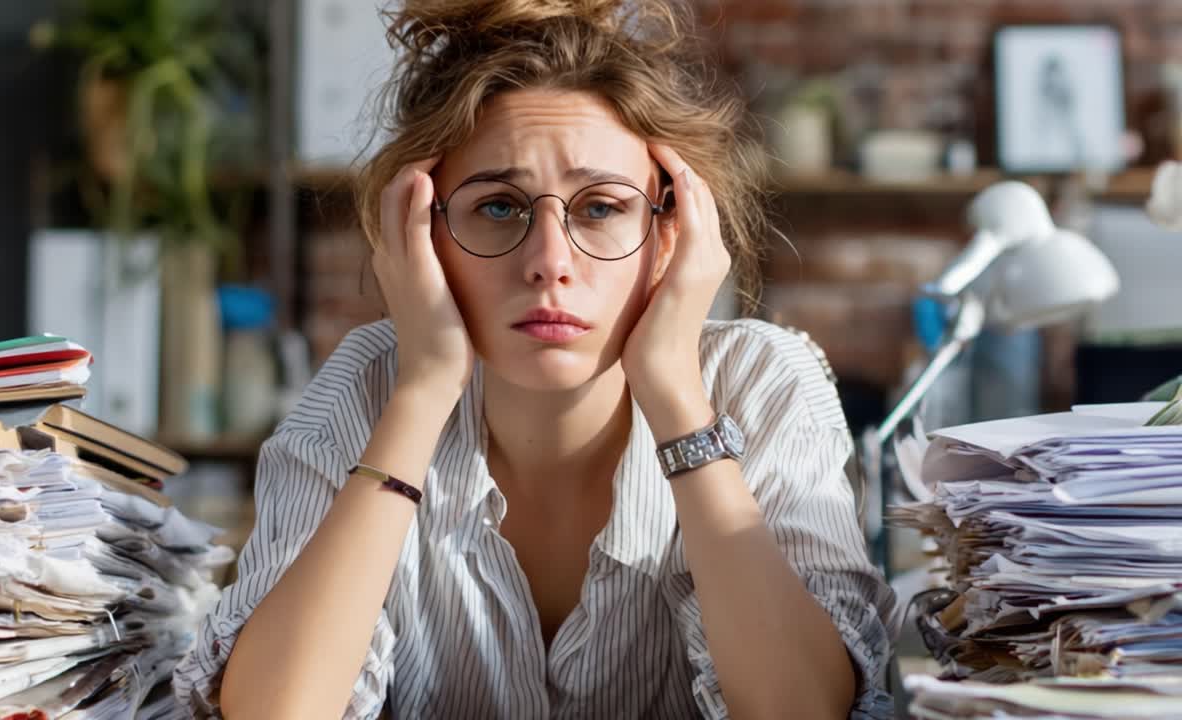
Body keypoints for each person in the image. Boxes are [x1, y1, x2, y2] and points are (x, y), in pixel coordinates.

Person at [174, 0, 896, 717]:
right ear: (421, 237)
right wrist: (424, 391)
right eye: (498, 207)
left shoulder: (762, 382)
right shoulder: (370, 387)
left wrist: (677, 397)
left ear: (671, 234)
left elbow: (803, 709)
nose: (549, 262)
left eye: (601, 207)